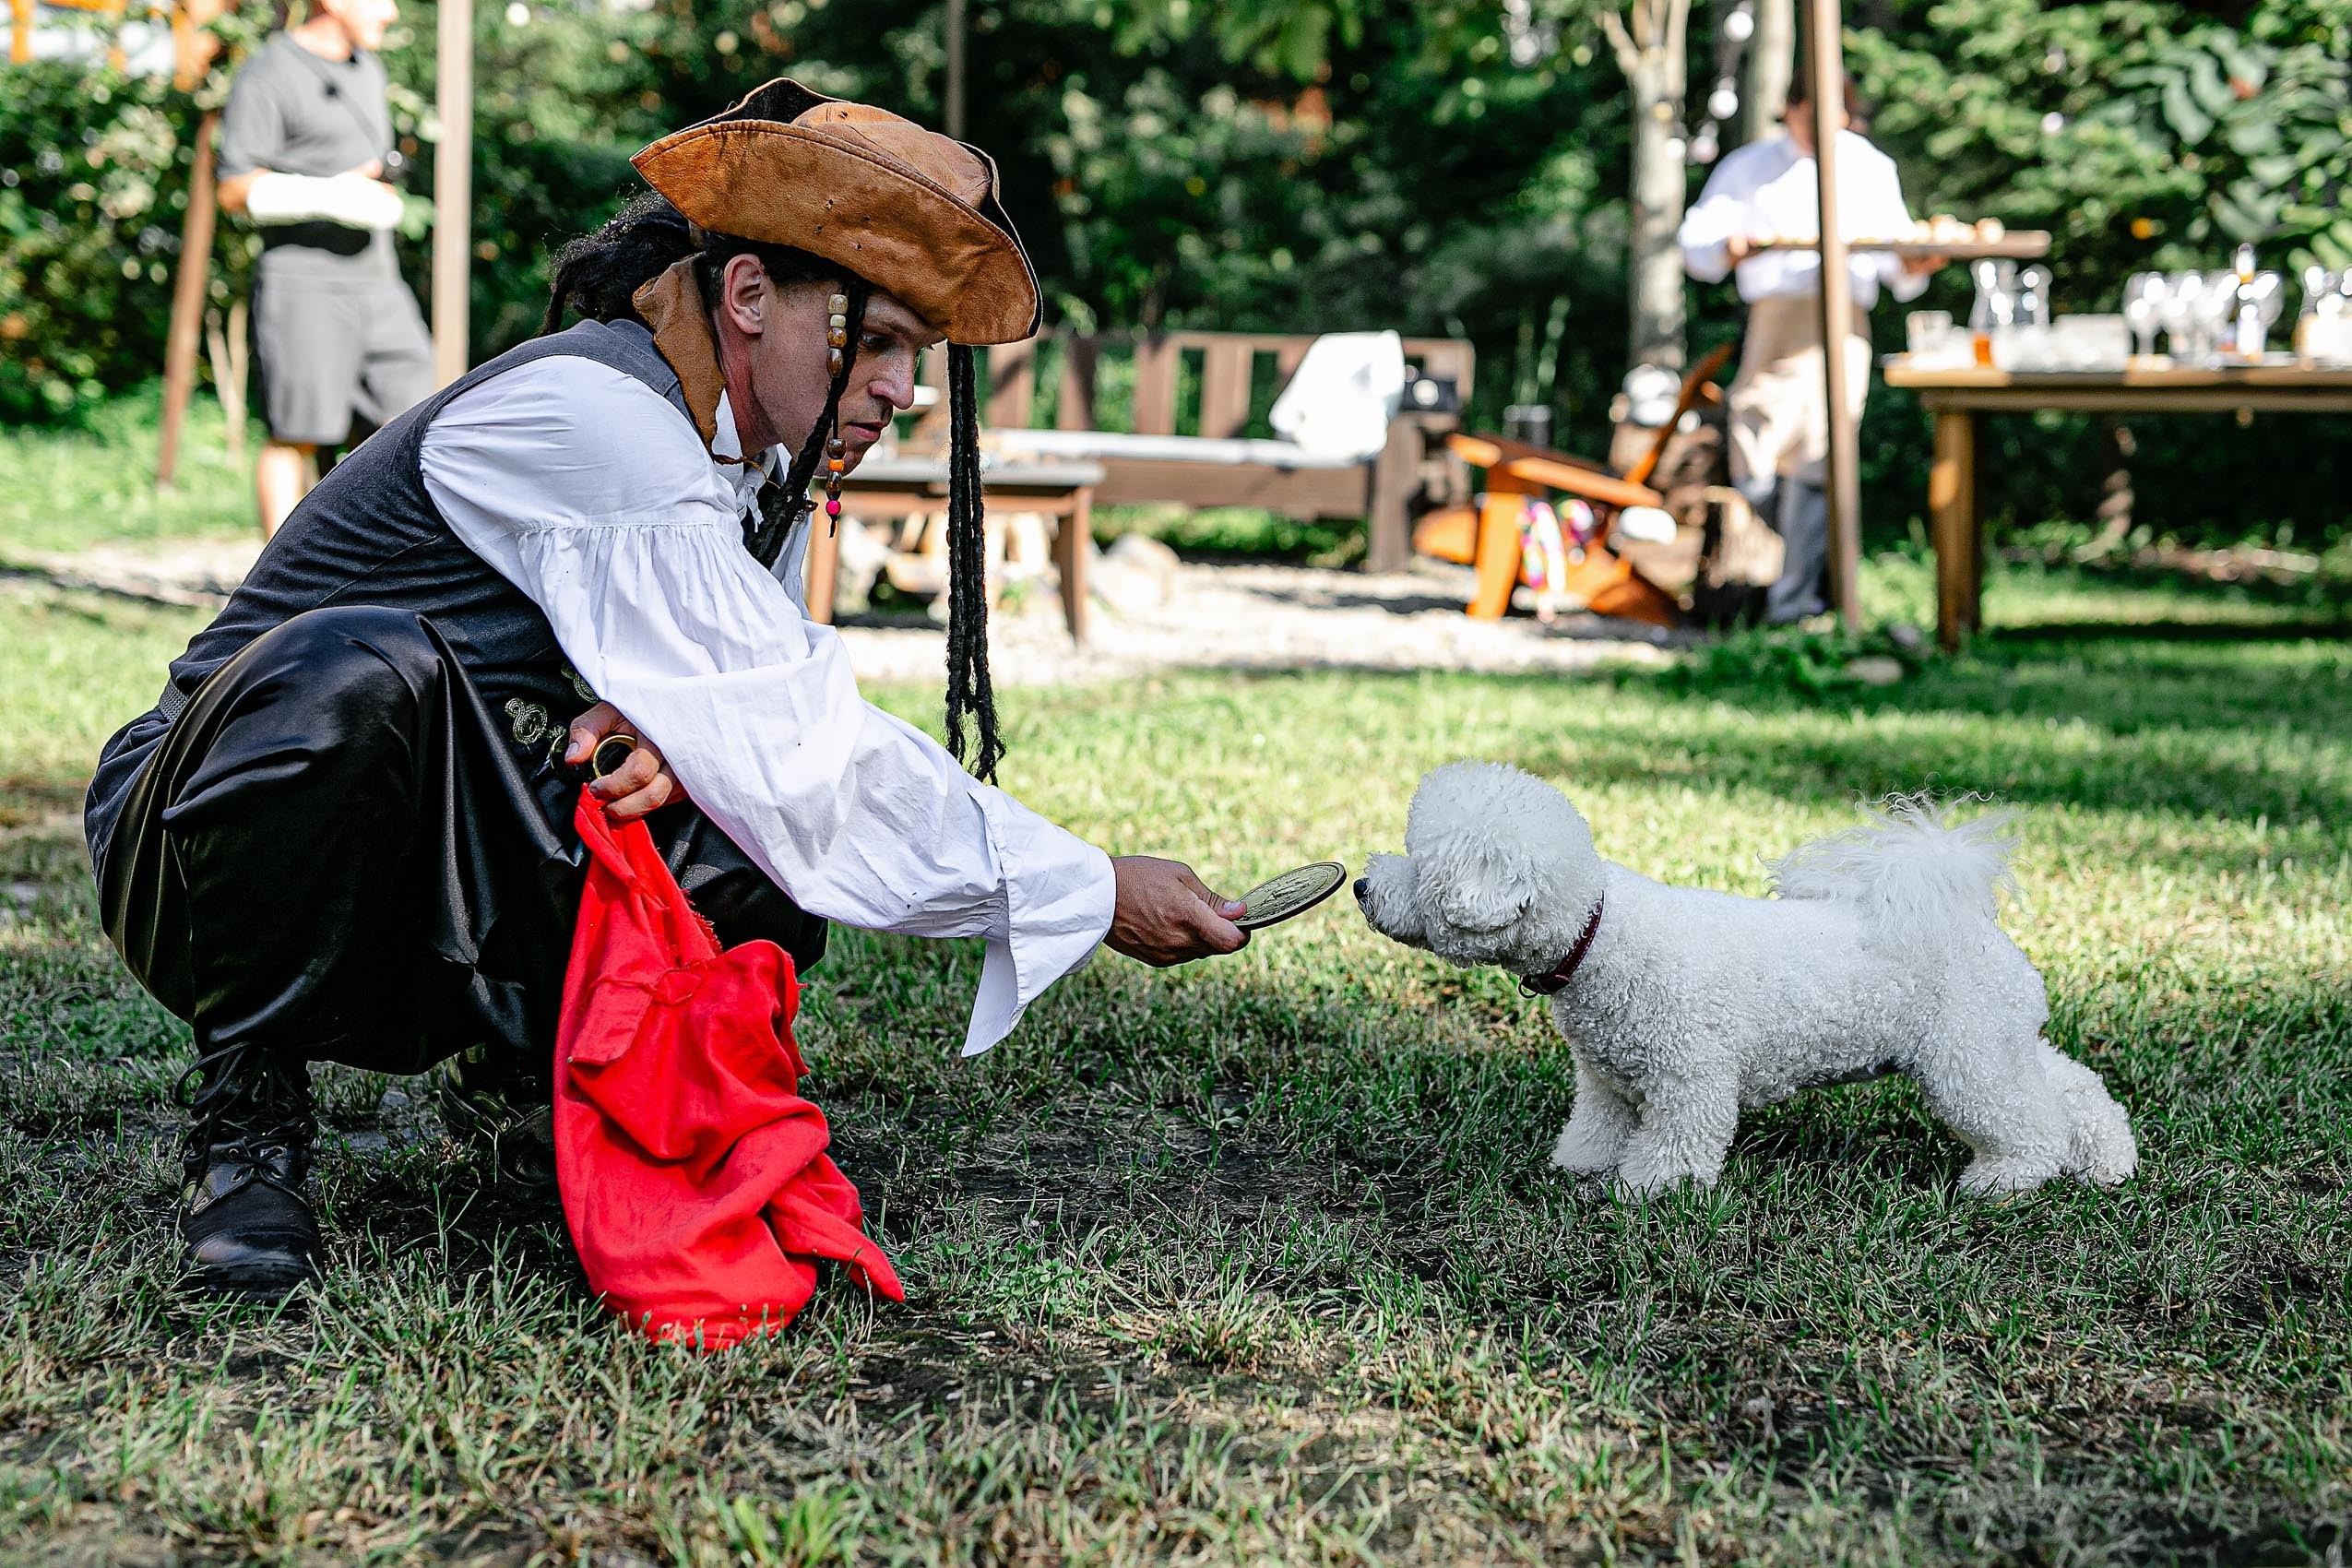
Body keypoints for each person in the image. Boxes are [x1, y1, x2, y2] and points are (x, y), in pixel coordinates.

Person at [85, 79, 1249, 1301]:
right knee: (355, 676)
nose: (901, 389)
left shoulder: (756, 469)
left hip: (428, 878)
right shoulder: (596, 412)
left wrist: (669, 730)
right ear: (746, 295)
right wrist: (1088, 885)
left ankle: (536, 1084)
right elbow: (797, 738)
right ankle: (247, 1116)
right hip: (194, 863)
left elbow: (754, 733)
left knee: (735, 809)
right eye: (877, 340)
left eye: (917, 354)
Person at [1677, 72, 1940, 622]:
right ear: (1790, 110)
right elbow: (1697, 244)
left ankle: (1793, 602)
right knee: (1755, 445)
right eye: (1807, 116)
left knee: (1821, 456)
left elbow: (1897, 258)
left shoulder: (1868, 167)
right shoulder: (1750, 167)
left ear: (1845, 115)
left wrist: (1918, 262)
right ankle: (1771, 579)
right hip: (1776, 322)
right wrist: (1729, 248)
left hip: (1843, 325)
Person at [214, 0, 434, 537]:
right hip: (303, 286)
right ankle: (278, 585)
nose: (391, 12)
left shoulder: (368, 68)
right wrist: (332, 196)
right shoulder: (269, 71)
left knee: (418, 427)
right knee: (296, 436)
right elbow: (233, 189)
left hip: (379, 282)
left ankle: (379, 569)